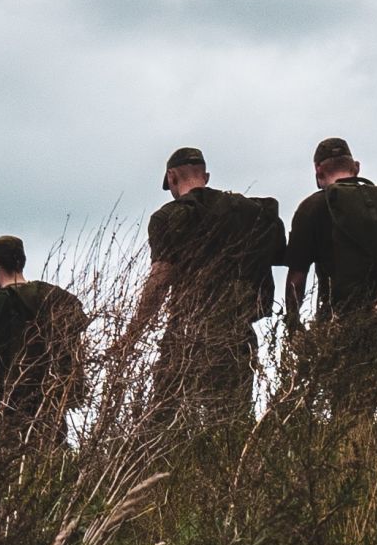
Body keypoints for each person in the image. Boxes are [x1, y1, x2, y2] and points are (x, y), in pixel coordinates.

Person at [120, 148, 286, 428]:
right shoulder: (248, 212)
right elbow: (279, 255)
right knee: (231, 425)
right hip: (237, 334)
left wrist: (133, 334)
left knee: (164, 423)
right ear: (205, 176)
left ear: (171, 178)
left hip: (186, 337)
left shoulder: (167, 217)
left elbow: (160, 279)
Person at [284, 138, 377, 415]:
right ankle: (363, 447)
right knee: (367, 401)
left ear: (318, 172)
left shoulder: (314, 207)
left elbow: (297, 278)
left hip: (338, 319)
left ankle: (348, 451)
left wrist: (293, 323)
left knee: (342, 405)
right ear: (356, 167)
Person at [0, 235, 89, 448]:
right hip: (52, 409)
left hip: (10, 408)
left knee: (1, 469)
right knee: (51, 468)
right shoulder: (53, 298)